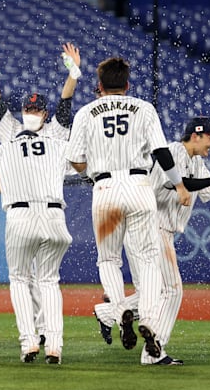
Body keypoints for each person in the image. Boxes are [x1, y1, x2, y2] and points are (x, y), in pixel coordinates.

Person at [66, 56, 191, 361]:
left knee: (108, 259)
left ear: (99, 85)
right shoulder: (144, 108)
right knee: (148, 259)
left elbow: (75, 160)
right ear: (127, 85)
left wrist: (93, 170)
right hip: (140, 186)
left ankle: (121, 310)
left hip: (105, 188)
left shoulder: (86, 112)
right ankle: (147, 319)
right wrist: (179, 185)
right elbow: (162, 153)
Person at [129, 117, 210, 365]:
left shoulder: (197, 162)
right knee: (172, 290)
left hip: (161, 230)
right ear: (196, 135)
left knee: (156, 291)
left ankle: (113, 312)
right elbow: (180, 183)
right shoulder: (171, 152)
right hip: (152, 228)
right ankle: (154, 351)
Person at [0, 42, 82, 346]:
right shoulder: (13, 130)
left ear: (45, 113)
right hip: (44, 214)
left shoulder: (54, 131)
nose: (31, 112)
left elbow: (66, 100)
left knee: (31, 279)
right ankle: (46, 338)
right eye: (28, 108)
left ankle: (35, 338)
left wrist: (73, 75)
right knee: (42, 280)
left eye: (36, 109)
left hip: (30, 214)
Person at [0, 121, 73, 364]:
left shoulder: (6, 148)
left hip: (20, 217)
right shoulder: (55, 145)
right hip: (55, 216)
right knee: (49, 281)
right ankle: (55, 345)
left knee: (19, 280)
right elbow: (81, 163)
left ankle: (29, 342)